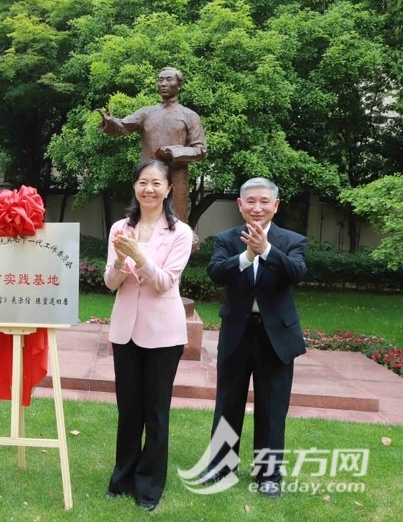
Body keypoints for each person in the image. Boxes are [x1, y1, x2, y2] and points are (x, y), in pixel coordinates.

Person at [198, 178, 308, 499]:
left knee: (272, 407)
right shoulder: (226, 239)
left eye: (264, 201)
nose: (257, 207)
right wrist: (247, 256)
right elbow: (216, 272)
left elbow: (297, 272)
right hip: (236, 332)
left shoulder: (292, 240)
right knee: (228, 401)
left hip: (276, 336)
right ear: (240, 205)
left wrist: (267, 251)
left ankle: (268, 474)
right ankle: (221, 466)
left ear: (276, 205)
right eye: (250, 201)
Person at [103, 159, 193, 512]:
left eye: (157, 183)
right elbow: (111, 282)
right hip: (124, 329)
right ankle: (122, 477)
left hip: (163, 334)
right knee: (128, 410)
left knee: (156, 412)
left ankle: (149, 487)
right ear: (135, 187)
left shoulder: (180, 233)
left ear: (169, 189)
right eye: (143, 182)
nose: (149, 189)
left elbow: (164, 282)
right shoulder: (120, 228)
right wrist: (119, 263)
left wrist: (138, 256)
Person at [99, 66, 207, 226]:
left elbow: (200, 149)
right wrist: (110, 121)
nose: (163, 83)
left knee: (175, 222)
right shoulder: (147, 113)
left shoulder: (189, 116)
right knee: (145, 219)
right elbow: (123, 126)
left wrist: (173, 152)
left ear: (179, 85)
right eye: (160, 80)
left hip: (175, 176)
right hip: (148, 176)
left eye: (169, 80)